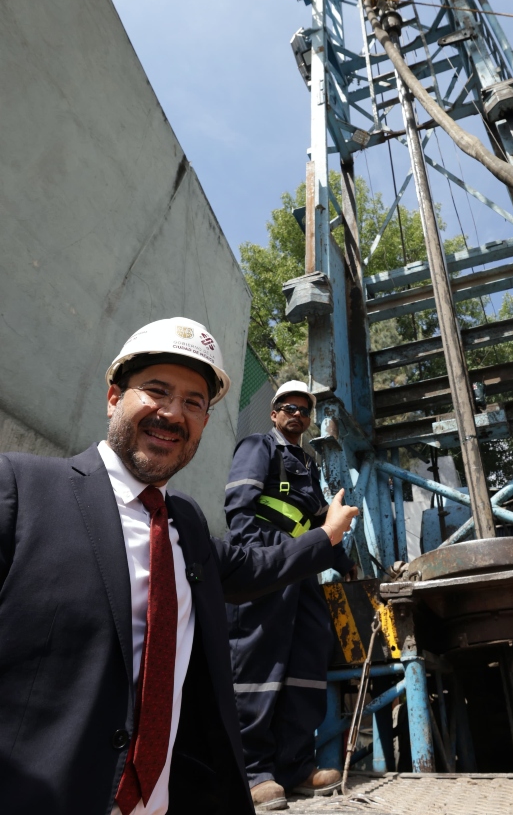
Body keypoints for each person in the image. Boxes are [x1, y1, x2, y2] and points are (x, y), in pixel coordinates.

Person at [0, 318, 358, 815]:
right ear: (113, 397)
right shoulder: (22, 490)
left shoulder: (185, 526)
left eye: (194, 403)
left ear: (205, 423)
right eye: (156, 390)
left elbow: (251, 570)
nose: (173, 414)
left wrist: (327, 537)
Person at [225, 381, 355, 811]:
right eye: (288, 408)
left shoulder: (307, 464)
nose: (297, 414)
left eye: (304, 409)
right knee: (258, 665)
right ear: (274, 413)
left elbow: (318, 525)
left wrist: (346, 562)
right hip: (266, 567)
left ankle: (295, 766)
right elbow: (241, 516)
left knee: (306, 662)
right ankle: (253, 772)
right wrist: (267, 559)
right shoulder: (258, 447)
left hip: (302, 571)